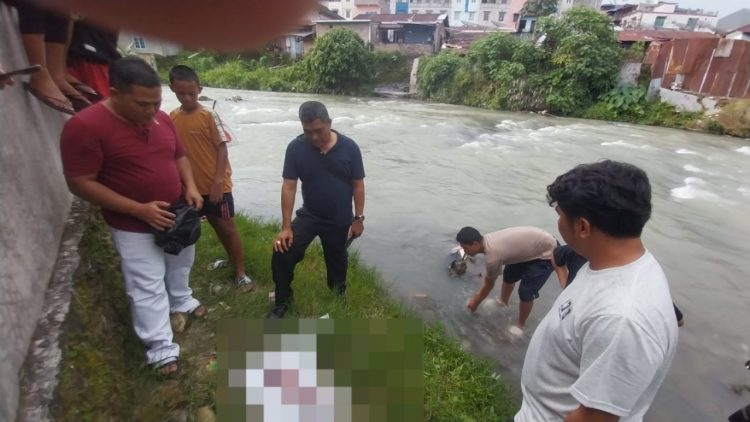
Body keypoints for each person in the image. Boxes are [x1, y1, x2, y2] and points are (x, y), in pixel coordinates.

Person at [60, 56, 205, 376]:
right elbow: (80, 182)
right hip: (131, 222)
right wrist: (138, 209)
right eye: (142, 104)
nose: (151, 111)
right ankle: (161, 348)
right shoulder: (84, 126)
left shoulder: (162, 120)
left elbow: (179, 154)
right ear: (115, 93)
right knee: (147, 281)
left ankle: (181, 299)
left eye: (156, 103)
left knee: (182, 259)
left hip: (176, 210)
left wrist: (191, 185)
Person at [516, 160, 678, 421]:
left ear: (583, 227)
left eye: (559, 214)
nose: (557, 221)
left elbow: (593, 418)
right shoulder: (607, 263)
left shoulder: (622, 318)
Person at [267, 101, 365, 319]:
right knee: (281, 251)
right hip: (309, 214)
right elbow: (289, 186)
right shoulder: (296, 148)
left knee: (337, 260)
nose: (313, 137)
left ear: (329, 123)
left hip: (339, 218)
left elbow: (358, 185)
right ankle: (283, 300)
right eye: (307, 131)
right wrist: (285, 227)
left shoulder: (350, 148)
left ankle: (338, 298)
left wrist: (358, 218)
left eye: (318, 131)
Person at [168, 64, 252, 292]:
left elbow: (222, 149)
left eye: (192, 93)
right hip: (190, 189)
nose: (187, 98)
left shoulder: (209, 116)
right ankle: (224, 263)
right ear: (172, 89)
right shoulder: (172, 118)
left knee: (226, 227)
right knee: (195, 229)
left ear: (200, 89)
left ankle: (240, 272)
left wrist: (217, 183)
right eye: (181, 93)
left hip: (217, 187)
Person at [457, 226, 562, 336]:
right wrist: (477, 297)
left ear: (475, 244)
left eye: (465, 248)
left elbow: (488, 285)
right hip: (534, 245)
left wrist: (475, 302)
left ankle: (520, 325)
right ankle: (503, 302)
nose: (464, 251)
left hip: (548, 250)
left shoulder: (492, 257)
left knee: (525, 292)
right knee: (509, 275)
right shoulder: (488, 239)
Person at [553, 243, 685, 327]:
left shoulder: (579, 250)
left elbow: (678, 320)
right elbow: (556, 256)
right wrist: (565, 285)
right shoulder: (577, 250)